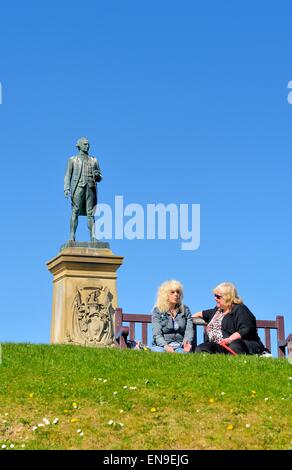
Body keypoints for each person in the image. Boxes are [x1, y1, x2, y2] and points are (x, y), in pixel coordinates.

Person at [193, 282, 266, 355]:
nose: (215, 298)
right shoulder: (216, 311)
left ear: (227, 297)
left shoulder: (240, 309)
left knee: (234, 345)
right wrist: (189, 320)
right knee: (202, 348)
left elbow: (246, 329)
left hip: (243, 344)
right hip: (220, 346)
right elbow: (200, 314)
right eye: (215, 296)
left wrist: (230, 339)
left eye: (218, 296)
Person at [64, 137, 102, 242]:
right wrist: (66, 188)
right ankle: (72, 236)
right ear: (79, 146)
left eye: (88, 144)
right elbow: (68, 175)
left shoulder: (94, 160)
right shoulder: (72, 160)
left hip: (91, 187)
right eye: (85, 144)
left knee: (91, 213)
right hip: (78, 186)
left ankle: (93, 236)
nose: (87, 146)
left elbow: (100, 176)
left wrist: (97, 175)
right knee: (75, 211)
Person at [151, 280, 194, 353]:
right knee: (160, 352)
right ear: (165, 294)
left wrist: (186, 343)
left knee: (181, 353)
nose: (176, 294)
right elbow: (157, 333)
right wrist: (165, 346)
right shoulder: (158, 310)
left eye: (178, 292)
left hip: (180, 345)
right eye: (172, 292)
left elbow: (189, 330)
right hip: (162, 345)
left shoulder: (185, 310)